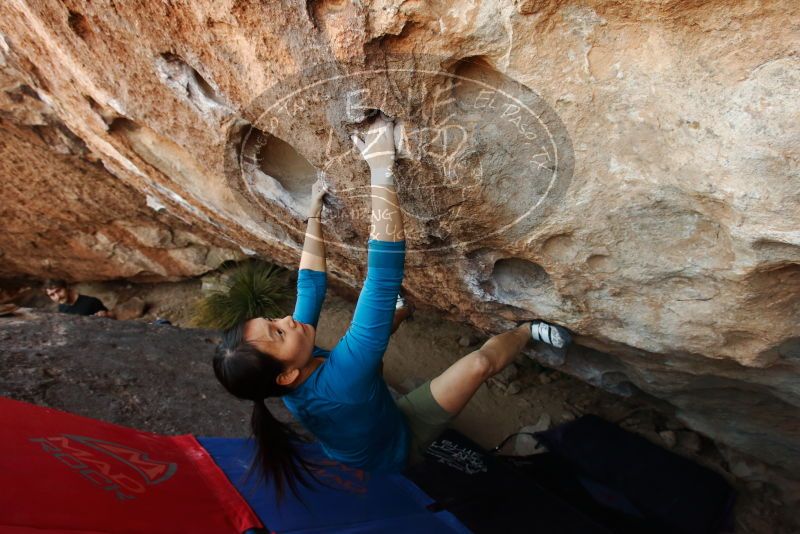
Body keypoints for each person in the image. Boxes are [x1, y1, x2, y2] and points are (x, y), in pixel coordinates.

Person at [213, 113, 572, 496]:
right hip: (400, 442)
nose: (287, 318)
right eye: (278, 331)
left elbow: (310, 285)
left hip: (366, 417)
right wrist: (381, 172)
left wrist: (314, 213)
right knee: (479, 364)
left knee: (376, 337)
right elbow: (381, 278)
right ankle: (526, 330)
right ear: (284, 376)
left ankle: (400, 314)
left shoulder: (289, 367)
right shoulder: (342, 381)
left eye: (273, 319)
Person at [43, 279, 114, 318]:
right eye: (52, 295)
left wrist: (105, 315)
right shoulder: (61, 307)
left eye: (58, 291)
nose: (57, 297)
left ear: (67, 288)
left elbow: (113, 316)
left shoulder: (91, 302)